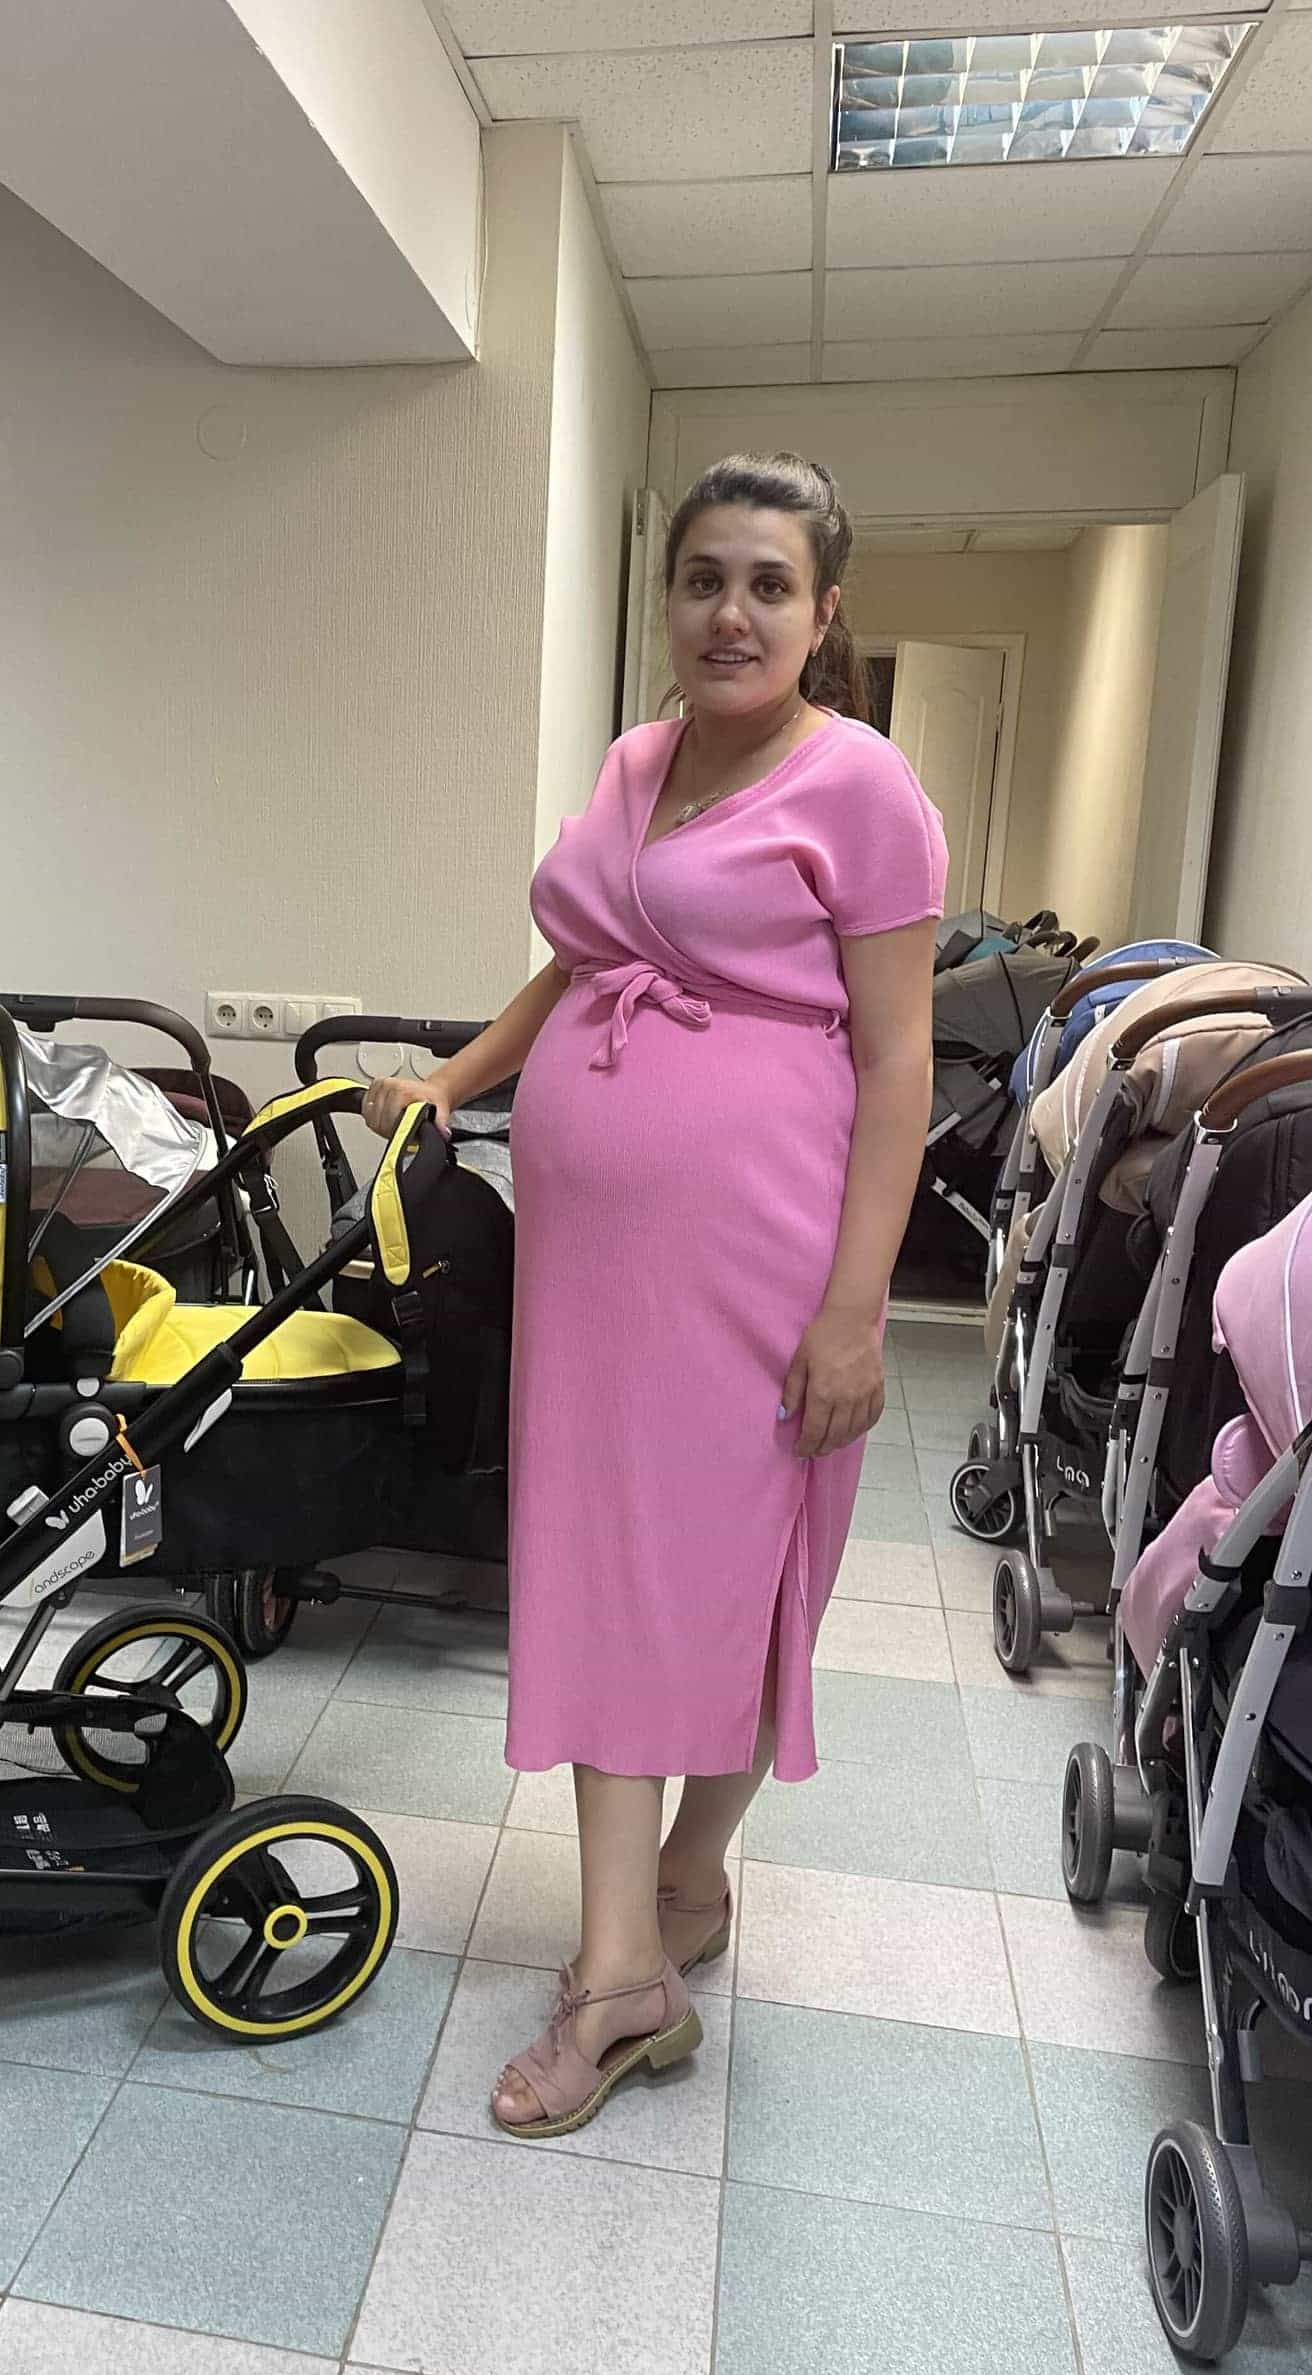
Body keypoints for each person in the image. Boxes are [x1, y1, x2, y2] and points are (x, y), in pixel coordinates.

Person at [364, 452, 945, 2136]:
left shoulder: (862, 787)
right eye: (704, 579)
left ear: (824, 614)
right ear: (669, 598)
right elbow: (583, 956)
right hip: (599, 1266)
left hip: (762, 1252)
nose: (730, 613)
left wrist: (858, 1311)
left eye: (770, 584)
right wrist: (458, 1078)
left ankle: (668, 1904)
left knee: (739, 1566)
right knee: (607, 1562)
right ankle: (640, 1938)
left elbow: (900, 1066)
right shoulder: (639, 761)